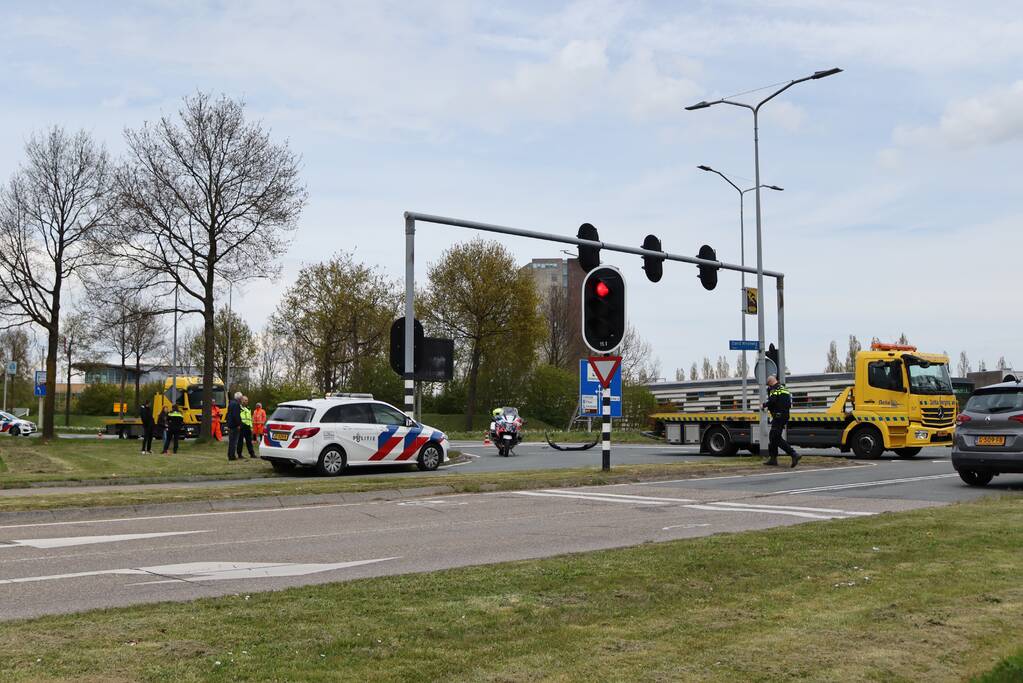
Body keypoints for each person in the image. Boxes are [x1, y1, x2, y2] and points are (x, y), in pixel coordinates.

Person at [764, 375, 800, 468]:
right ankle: (773, 459)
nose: (768, 387)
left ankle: (794, 454)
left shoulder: (774, 389)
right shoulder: (784, 388)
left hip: (778, 416)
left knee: (775, 437)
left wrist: (763, 405)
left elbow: (772, 401)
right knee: (773, 436)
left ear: (770, 382)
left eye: (768, 384)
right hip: (784, 415)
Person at [226, 391, 242, 461]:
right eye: (241, 398)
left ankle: (230, 455)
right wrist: (238, 424)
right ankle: (232, 456)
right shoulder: (236, 404)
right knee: (234, 442)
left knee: (231, 441)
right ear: (239, 398)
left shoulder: (231, 403)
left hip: (230, 425)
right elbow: (236, 416)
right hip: (234, 425)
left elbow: (228, 414)